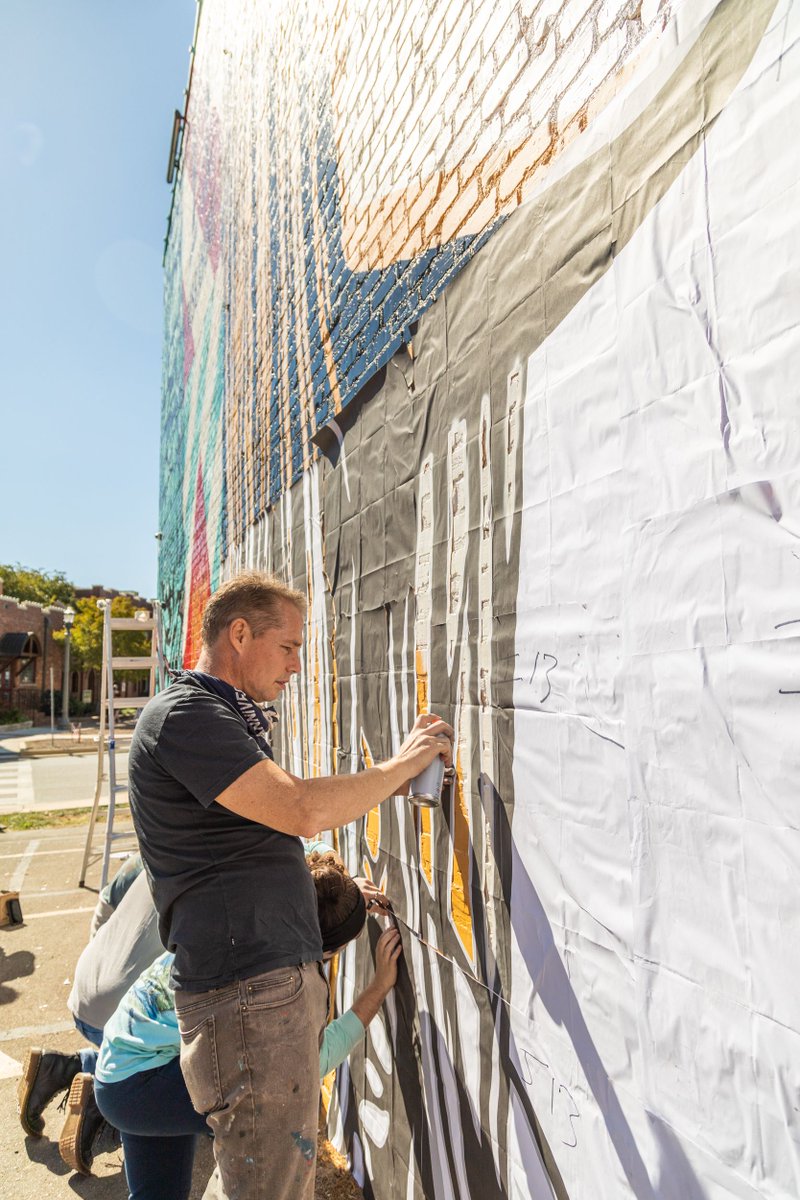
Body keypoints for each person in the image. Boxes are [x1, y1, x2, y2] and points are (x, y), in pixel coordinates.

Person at [126, 571, 451, 1200]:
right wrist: (403, 764)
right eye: (289, 647)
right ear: (239, 634)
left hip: (254, 992)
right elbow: (300, 809)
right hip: (247, 996)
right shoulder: (187, 715)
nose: (298, 666)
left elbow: (255, 841)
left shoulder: (215, 717)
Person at [92, 851, 401, 1200]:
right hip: (140, 1083)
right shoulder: (278, 987)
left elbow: (310, 877)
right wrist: (378, 988)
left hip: (119, 1063)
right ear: (325, 950)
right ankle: (97, 1113)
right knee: (266, 1121)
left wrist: (345, 896)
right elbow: (313, 1060)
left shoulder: (254, 907)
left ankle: (95, 1110)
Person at [17, 853, 164, 1174]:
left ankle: (64, 1068)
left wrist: (106, 973)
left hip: (87, 992)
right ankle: (103, 1095)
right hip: (125, 1017)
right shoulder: (238, 867)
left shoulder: (155, 843)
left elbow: (105, 906)